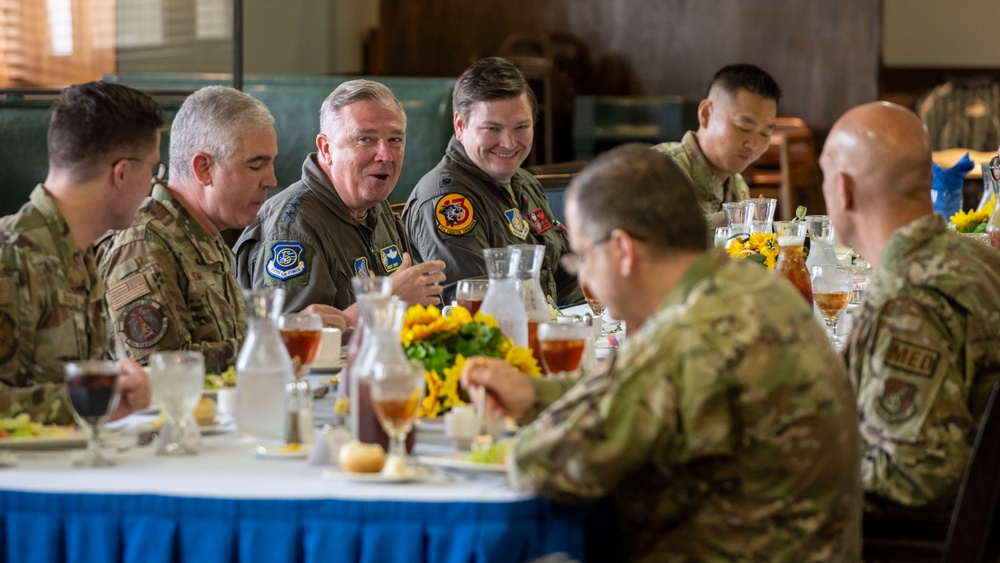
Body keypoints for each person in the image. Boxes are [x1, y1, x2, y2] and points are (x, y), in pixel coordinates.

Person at [462, 144, 862, 561]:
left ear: (622, 250)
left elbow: (544, 464)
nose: (583, 277)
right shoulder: (750, 289)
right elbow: (633, 389)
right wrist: (534, 394)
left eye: (580, 258)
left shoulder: (686, 335)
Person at [820, 101, 1000, 532]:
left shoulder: (906, 300)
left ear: (841, 190)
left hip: (934, 542)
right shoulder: (978, 260)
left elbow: (915, 479)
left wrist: (801, 475)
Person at [98, 87, 346, 375]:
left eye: (271, 162)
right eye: (256, 165)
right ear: (204, 169)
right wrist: (278, 342)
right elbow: (160, 370)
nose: (271, 179)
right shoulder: (144, 245)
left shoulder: (205, 235)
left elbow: (228, 340)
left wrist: (285, 330)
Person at [0, 81, 158, 424]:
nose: (153, 186)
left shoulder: (79, 251)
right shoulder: (12, 258)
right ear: (123, 173)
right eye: (152, 169)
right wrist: (100, 395)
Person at [234, 80, 445, 327]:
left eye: (395, 140)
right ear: (326, 149)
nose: (385, 155)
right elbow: (292, 344)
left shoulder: (375, 205)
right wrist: (386, 300)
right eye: (365, 139)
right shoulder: (292, 229)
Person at [402, 57, 581, 305]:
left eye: (521, 126)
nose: (509, 143)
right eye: (492, 129)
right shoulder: (449, 201)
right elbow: (476, 308)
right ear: (460, 126)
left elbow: (565, 276)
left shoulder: (524, 182)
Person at [651, 63, 781, 228]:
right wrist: (738, 219)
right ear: (706, 113)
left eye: (765, 134)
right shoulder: (662, 168)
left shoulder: (738, 185)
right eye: (744, 127)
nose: (754, 144)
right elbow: (664, 242)